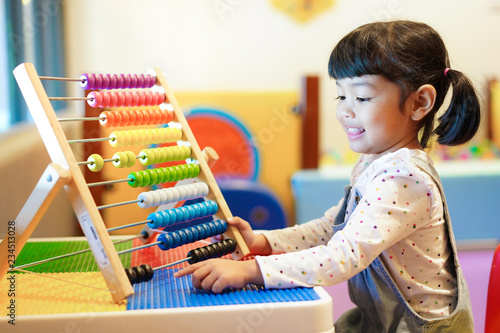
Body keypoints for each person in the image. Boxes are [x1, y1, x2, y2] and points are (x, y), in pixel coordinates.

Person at [175, 20, 480, 332]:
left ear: (420, 103)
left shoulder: (405, 178)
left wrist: (253, 270)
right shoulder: (372, 162)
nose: (345, 111)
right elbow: (330, 227)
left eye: (361, 98)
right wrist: (264, 242)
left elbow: (341, 256)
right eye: (340, 96)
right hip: (378, 322)